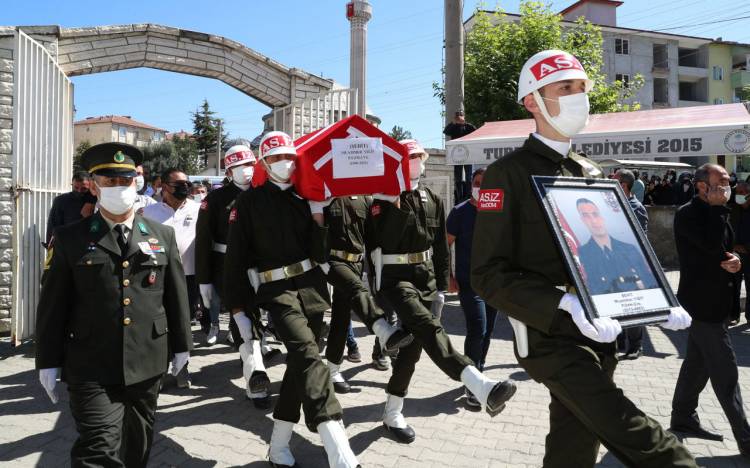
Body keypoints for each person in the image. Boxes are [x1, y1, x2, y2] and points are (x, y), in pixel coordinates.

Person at [471, 49, 695, 467]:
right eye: (565, 88)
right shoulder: (509, 174)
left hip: (601, 330)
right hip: (550, 335)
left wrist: (655, 299)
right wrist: (563, 302)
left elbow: (615, 251)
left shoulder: (591, 173)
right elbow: (487, 275)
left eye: (582, 88)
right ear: (533, 101)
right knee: (627, 426)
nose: (579, 97)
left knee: (574, 445)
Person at [35, 142, 192, 467]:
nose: (118, 188)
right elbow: (53, 304)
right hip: (89, 364)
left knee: (138, 447)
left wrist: (182, 346)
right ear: (93, 185)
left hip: (147, 363)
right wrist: (47, 360)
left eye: (125, 181)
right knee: (98, 449)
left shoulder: (162, 236)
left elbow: (175, 296)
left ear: (138, 183)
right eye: (109, 181)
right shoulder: (69, 238)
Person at [224, 131, 360, 468]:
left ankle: (279, 444)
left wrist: (318, 217)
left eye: (288, 157)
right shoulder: (248, 203)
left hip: (312, 291)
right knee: (308, 356)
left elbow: (318, 253)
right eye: (275, 158)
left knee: (300, 368)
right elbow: (236, 260)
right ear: (264, 163)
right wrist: (238, 311)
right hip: (276, 293)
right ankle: (338, 449)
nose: (284, 163)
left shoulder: (304, 197)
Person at [368, 138, 517, 444]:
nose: (417, 162)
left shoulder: (432, 198)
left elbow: (439, 246)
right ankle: (480, 384)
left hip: (423, 280)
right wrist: (394, 203)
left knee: (411, 353)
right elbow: (379, 242)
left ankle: (392, 412)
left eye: (419, 157)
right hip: (396, 279)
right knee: (429, 327)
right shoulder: (381, 201)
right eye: (410, 157)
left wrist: (438, 285)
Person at [671, 164, 750, 458]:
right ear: (702, 186)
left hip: (717, 302)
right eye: (722, 182)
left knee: (697, 364)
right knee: (726, 372)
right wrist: (718, 210)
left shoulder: (721, 212)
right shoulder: (688, 214)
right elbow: (708, 245)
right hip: (700, 304)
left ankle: (682, 417)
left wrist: (735, 262)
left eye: (729, 181)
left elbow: (725, 251)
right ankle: (746, 439)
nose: (728, 187)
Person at [195, 144, 271, 408]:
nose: (246, 171)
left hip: (261, 267)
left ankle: (252, 365)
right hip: (227, 266)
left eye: (250, 165)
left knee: (254, 319)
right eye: (239, 167)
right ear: (228, 171)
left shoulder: (264, 193)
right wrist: (204, 279)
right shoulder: (214, 200)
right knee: (244, 321)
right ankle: (255, 379)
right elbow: (203, 241)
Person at [322, 194, 413, 393]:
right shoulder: (327, 197)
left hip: (357, 262)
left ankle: (332, 370)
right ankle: (384, 331)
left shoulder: (366, 200)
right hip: (332, 261)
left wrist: (377, 274)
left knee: (341, 317)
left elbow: (373, 240)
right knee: (357, 290)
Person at [142, 168, 200, 388]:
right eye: (179, 184)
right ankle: (160, 368)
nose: (185, 187)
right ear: (164, 187)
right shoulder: (149, 213)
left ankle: (183, 367)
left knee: (184, 324)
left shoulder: (198, 209)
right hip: (159, 276)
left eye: (187, 183)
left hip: (190, 276)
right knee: (160, 323)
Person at [446, 167, 499, 408]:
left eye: (486, 183)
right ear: (471, 185)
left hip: (494, 284)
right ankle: (472, 383)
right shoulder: (459, 212)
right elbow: (444, 245)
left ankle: (479, 370)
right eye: (477, 182)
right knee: (477, 328)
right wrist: (449, 276)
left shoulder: (498, 210)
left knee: (488, 331)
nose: (481, 187)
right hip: (470, 283)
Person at [576, 198, 657, 295]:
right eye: (586, 216)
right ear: (582, 220)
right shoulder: (582, 253)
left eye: (595, 214)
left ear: (603, 216)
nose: (593, 221)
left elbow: (650, 284)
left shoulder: (629, 249)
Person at [613, 169, 649, 359]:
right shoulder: (611, 205)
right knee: (613, 305)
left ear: (623, 185)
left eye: (614, 179)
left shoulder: (636, 208)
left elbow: (640, 240)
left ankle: (636, 346)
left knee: (631, 306)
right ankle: (618, 342)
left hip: (629, 264)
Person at [45, 172, 96, 245]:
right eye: (76, 188)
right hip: (67, 244)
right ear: (72, 185)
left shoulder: (97, 200)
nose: (79, 191)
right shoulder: (61, 201)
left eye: (84, 189)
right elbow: (53, 226)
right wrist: (50, 245)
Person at [443, 110, 476, 202]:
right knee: (458, 176)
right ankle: (459, 195)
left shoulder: (468, 127)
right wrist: (453, 123)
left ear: (464, 117)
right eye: (457, 117)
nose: (459, 118)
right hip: (456, 155)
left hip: (467, 154)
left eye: (461, 116)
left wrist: (464, 123)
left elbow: (476, 131)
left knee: (469, 176)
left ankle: (469, 194)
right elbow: (445, 131)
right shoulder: (453, 127)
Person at [730, 181, 750, 325]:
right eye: (737, 192)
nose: (739, 195)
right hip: (734, 253)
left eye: (742, 192)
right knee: (733, 286)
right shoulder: (732, 209)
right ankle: (733, 315)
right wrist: (734, 246)